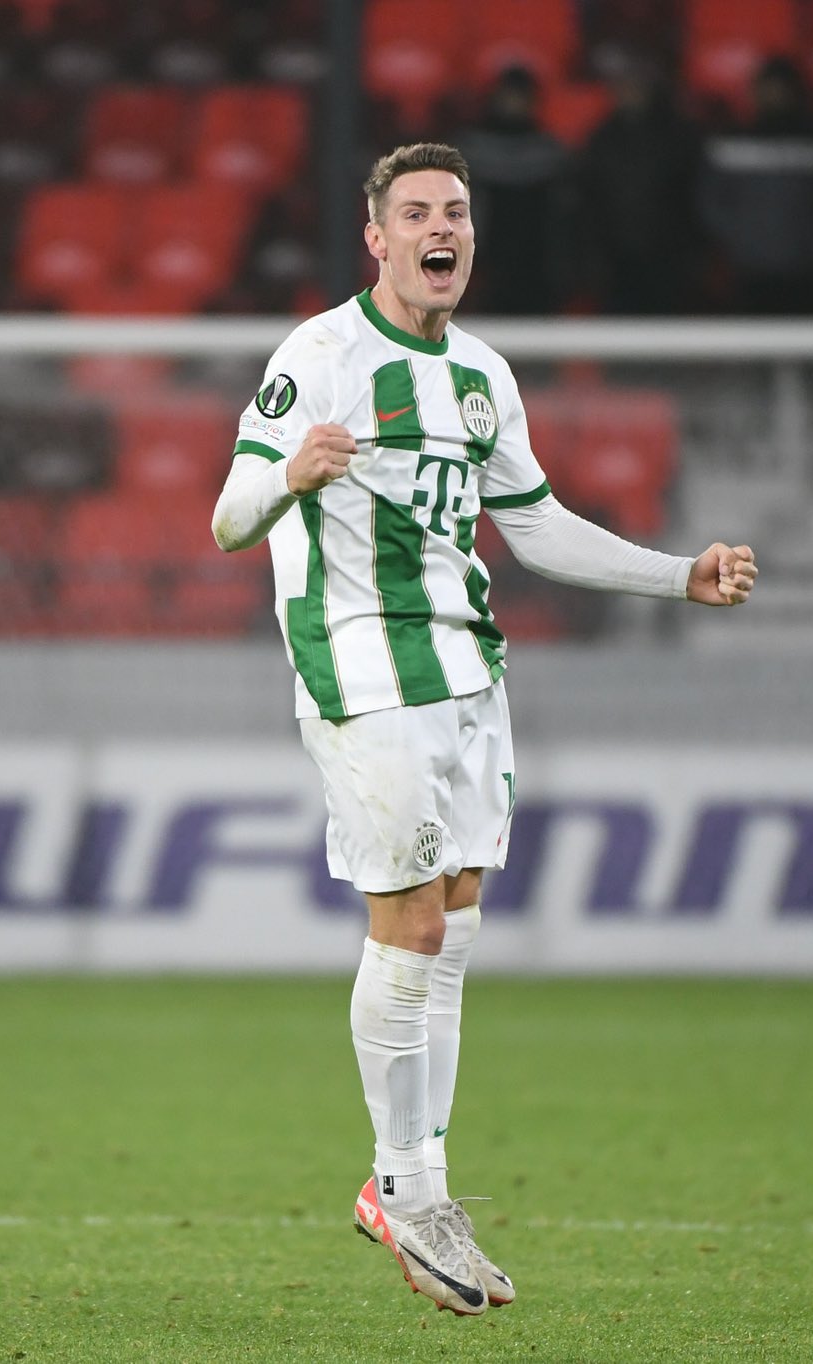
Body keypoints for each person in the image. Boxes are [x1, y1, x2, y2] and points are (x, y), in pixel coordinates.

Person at [209, 143, 758, 1316]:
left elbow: (538, 526)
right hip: (363, 664)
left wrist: (678, 575)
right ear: (375, 236)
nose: (435, 229)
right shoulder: (320, 355)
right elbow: (224, 515)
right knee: (405, 917)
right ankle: (399, 1190)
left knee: (452, 918)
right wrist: (292, 474)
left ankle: (423, 1187)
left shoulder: (481, 377)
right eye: (413, 212)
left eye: (452, 211)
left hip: (468, 666)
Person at [697, 57, 813, 316]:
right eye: (769, 88)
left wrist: (806, 237)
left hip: (803, 270)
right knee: (753, 351)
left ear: (796, 93)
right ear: (755, 92)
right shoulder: (730, 143)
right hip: (748, 271)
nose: (776, 96)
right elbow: (711, 201)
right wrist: (742, 240)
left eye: (782, 89)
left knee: (805, 349)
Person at [575, 56, 707, 315]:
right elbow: (589, 202)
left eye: (636, 85)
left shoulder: (679, 137)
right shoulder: (601, 140)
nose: (629, 92)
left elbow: (693, 199)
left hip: (669, 259)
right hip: (615, 261)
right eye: (623, 86)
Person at [455, 66, 571, 315]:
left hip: (537, 270)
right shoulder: (468, 149)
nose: (513, 104)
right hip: (484, 271)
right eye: (508, 96)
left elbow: (560, 220)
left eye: (520, 97)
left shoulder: (548, 152)